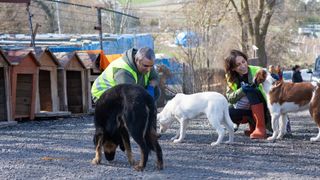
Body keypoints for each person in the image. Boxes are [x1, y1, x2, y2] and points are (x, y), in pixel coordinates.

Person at [224, 49, 271, 139]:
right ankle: (253, 126)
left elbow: (275, 91)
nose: (243, 66)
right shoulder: (230, 77)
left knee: (250, 90)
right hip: (247, 109)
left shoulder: (258, 71)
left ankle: (261, 128)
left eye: (243, 62)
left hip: (266, 110)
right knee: (227, 111)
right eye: (238, 65)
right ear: (233, 68)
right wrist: (242, 90)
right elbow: (230, 98)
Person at [91, 47, 160, 103]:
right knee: (129, 105)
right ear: (137, 60)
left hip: (125, 91)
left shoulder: (147, 64)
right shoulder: (123, 71)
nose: (148, 69)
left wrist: (150, 88)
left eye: (151, 66)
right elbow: (129, 96)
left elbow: (155, 78)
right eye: (145, 66)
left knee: (156, 91)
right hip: (102, 95)